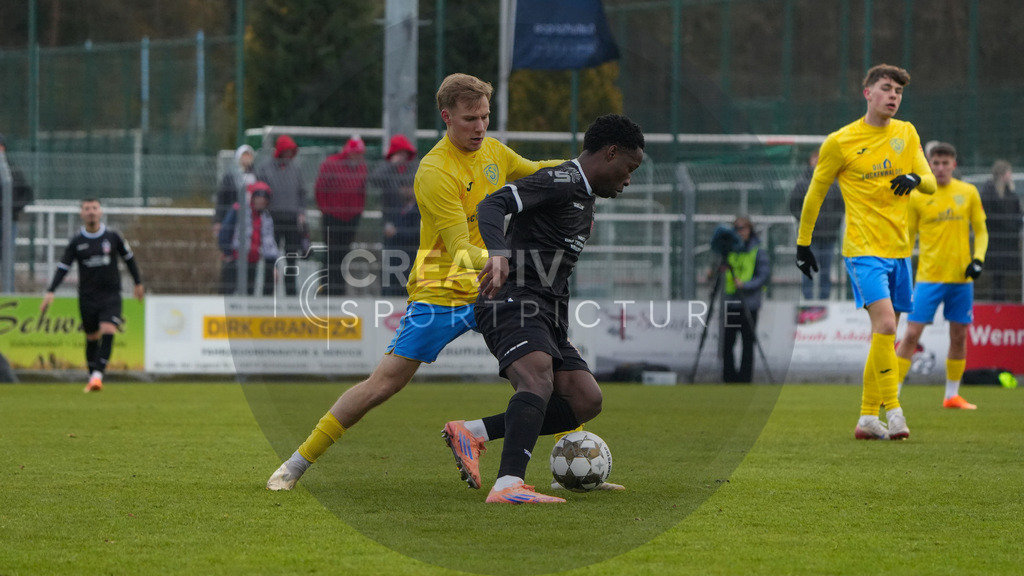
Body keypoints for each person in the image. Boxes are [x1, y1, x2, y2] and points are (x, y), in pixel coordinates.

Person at [266, 73, 571, 491]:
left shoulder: (495, 152)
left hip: (495, 287)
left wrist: (581, 172)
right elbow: (461, 249)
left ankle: (567, 467)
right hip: (441, 292)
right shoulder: (433, 171)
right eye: (469, 119)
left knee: (544, 371)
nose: (480, 127)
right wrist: (513, 263)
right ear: (447, 117)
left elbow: (537, 173)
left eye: (484, 117)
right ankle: (296, 464)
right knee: (384, 384)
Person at [442, 114, 644, 504]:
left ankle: (473, 433)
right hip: (510, 297)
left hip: (543, 309)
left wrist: (560, 330)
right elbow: (492, 203)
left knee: (585, 399)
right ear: (611, 153)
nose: (628, 179)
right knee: (538, 381)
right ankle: (508, 486)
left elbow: (558, 273)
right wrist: (498, 254)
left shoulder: (583, 197)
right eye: (628, 168)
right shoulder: (561, 179)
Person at [795, 64, 936, 441]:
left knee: (884, 335)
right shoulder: (840, 142)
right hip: (862, 250)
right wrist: (803, 243)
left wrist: (915, 179)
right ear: (867, 93)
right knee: (887, 326)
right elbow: (815, 194)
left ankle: (865, 418)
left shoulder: (906, 133)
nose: (893, 96)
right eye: (887, 89)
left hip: (900, 250)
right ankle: (895, 413)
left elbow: (931, 184)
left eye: (899, 92)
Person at [895, 143, 987, 410]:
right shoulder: (917, 196)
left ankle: (952, 396)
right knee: (912, 333)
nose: (941, 168)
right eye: (936, 163)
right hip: (928, 277)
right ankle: (892, 394)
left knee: (959, 336)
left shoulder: (968, 192)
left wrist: (978, 260)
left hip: (961, 280)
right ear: (929, 164)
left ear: (954, 165)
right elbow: (908, 237)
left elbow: (981, 231)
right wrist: (900, 269)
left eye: (946, 163)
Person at [40, 198, 144, 392]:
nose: (91, 212)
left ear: (101, 212)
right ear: (82, 213)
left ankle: (97, 376)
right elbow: (63, 267)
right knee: (91, 337)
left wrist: (138, 282)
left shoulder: (113, 237)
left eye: (94, 208)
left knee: (108, 330)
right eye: (87, 209)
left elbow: (129, 259)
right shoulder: (77, 241)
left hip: (111, 295)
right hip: (87, 297)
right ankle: (92, 377)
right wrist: (51, 291)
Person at [314, 136, 367, 296]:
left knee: (344, 256)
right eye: (356, 153)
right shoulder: (332, 164)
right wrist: (326, 210)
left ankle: (339, 290)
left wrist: (358, 212)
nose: (358, 157)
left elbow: (362, 192)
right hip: (332, 217)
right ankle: (325, 289)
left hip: (350, 219)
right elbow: (320, 189)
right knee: (330, 255)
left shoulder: (361, 167)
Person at [720, 216, 770, 383]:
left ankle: (744, 379)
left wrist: (746, 285)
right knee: (728, 342)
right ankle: (729, 378)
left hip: (749, 303)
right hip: (732, 302)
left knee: (748, 343)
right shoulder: (729, 250)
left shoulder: (758, 250)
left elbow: (763, 276)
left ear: (750, 230)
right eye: (737, 229)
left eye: (743, 228)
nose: (740, 232)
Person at [256, 135, 307, 296]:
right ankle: (267, 294)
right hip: (272, 219)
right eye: (286, 151)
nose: (288, 155)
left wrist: (301, 212)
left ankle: (292, 295)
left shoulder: (296, 168)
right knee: (271, 258)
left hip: (292, 220)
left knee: (291, 259)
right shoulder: (265, 168)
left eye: (290, 152)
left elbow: (302, 193)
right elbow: (260, 192)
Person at [369, 134, 419, 295]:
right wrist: (390, 165)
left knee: (410, 266)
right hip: (390, 223)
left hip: (410, 222)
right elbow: (374, 180)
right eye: (399, 153)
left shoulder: (414, 168)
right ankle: (387, 296)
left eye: (405, 153)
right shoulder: (386, 168)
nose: (402, 157)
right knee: (389, 265)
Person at [789, 151, 843, 299]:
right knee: (808, 271)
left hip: (829, 237)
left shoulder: (833, 183)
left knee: (826, 272)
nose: (818, 161)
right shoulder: (802, 183)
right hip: (809, 237)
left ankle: (824, 302)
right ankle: (807, 302)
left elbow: (841, 207)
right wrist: (807, 221)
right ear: (809, 161)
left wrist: (833, 226)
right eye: (815, 159)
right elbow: (794, 206)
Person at [218, 182, 279, 295]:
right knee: (228, 292)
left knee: (249, 293)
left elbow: (269, 243)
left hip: (253, 261)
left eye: (263, 199)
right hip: (235, 259)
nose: (260, 202)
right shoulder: (238, 210)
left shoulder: (266, 217)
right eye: (258, 198)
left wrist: (275, 265)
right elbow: (225, 231)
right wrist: (227, 252)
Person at [978, 160, 1021, 302]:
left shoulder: (1010, 193)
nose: (1011, 175)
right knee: (997, 278)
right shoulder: (989, 192)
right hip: (995, 242)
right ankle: (997, 302)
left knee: (1007, 278)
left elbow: (1017, 214)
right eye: (1009, 172)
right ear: (1003, 174)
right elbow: (988, 217)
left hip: (1008, 242)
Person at [0, 133, 34, 268]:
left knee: (7, 258)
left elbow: (27, 194)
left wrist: (11, 207)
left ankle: (8, 288)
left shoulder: (13, 170)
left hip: (9, 221)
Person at [213, 144, 257, 239]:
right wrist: (218, 220)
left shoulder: (257, 176)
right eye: (244, 155)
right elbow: (221, 199)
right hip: (233, 216)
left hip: (251, 217)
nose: (246, 159)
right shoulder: (230, 177)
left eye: (248, 155)